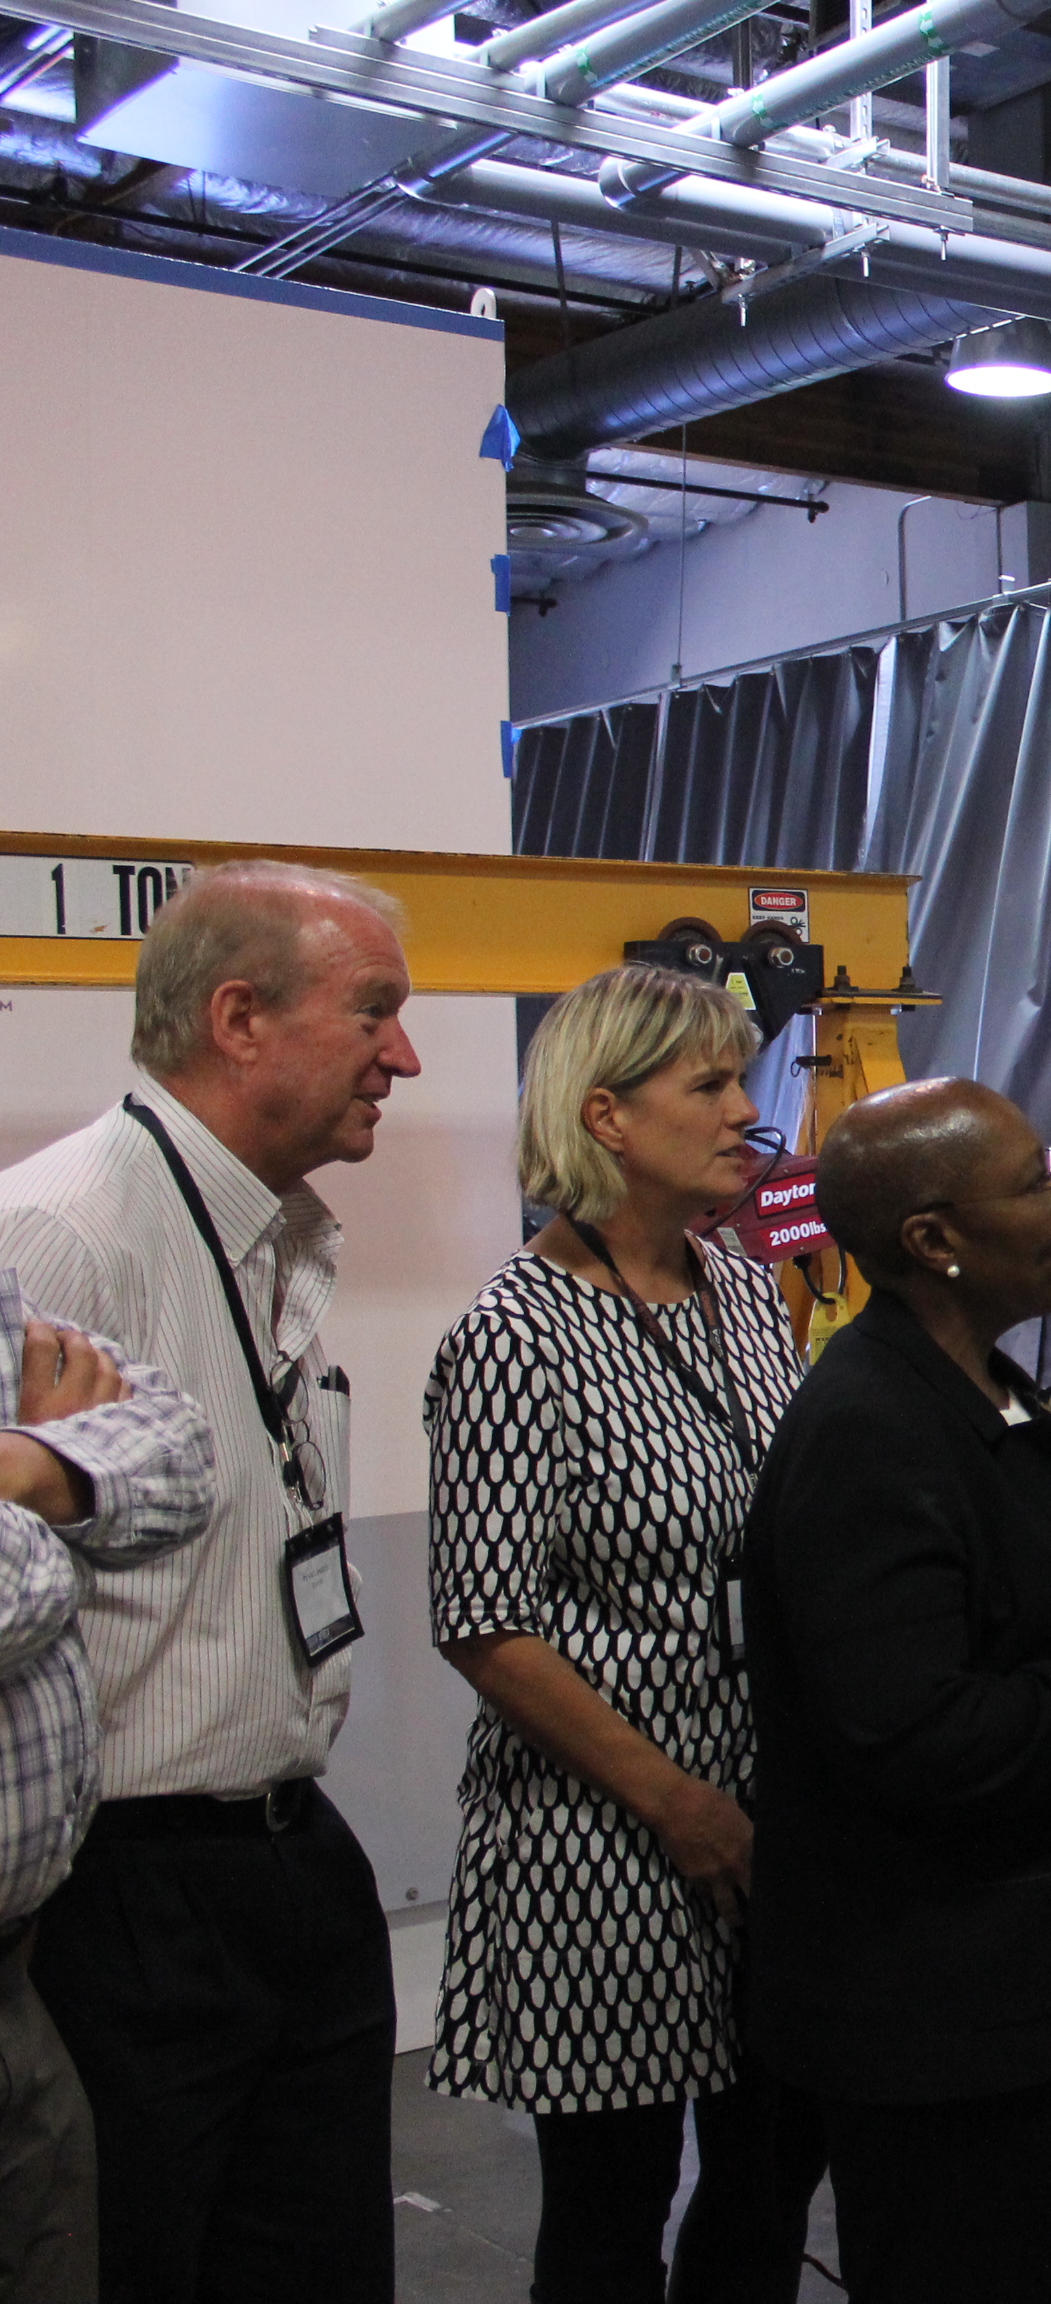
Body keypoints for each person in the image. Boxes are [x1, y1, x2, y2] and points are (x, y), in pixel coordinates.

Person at [0, 859, 418, 2302]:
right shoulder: (59, 1234)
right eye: (374, 1012)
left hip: (291, 1856)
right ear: (240, 1019)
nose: (406, 1056)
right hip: (124, 1901)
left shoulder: (278, 1232)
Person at [739, 1078, 1051, 2303]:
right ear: (932, 1241)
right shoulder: (872, 1430)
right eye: (1029, 1185)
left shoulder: (997, 1395)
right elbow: (903, 1728)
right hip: (943, 2017)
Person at [421, 966, 826, 2302]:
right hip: (607, 1840)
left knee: (769, 2185)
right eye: (709, 1086)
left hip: (767, 1819)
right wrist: (675, 1801)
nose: (744, 1115)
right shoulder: (513, 1338)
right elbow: (485, 1624)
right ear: (605, 1114)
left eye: (742, 1081)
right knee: (611, 2214)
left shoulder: (745, 1294)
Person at [0, 1303, 212, 2304]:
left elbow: (181, 1456)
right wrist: (56, 1480)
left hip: (17, 1979)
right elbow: (15, 1589)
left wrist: (24, 1473)